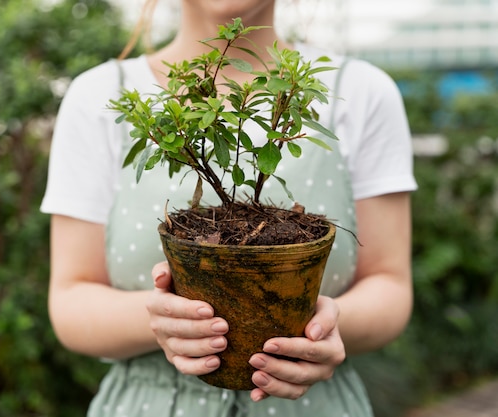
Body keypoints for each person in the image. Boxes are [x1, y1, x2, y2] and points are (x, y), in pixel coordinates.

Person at [40, 0, 417, 415]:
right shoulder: (98, 96)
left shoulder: (359, 91)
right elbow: (70, 301)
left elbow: (390, 285)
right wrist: (161, 320)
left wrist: (323, 327)